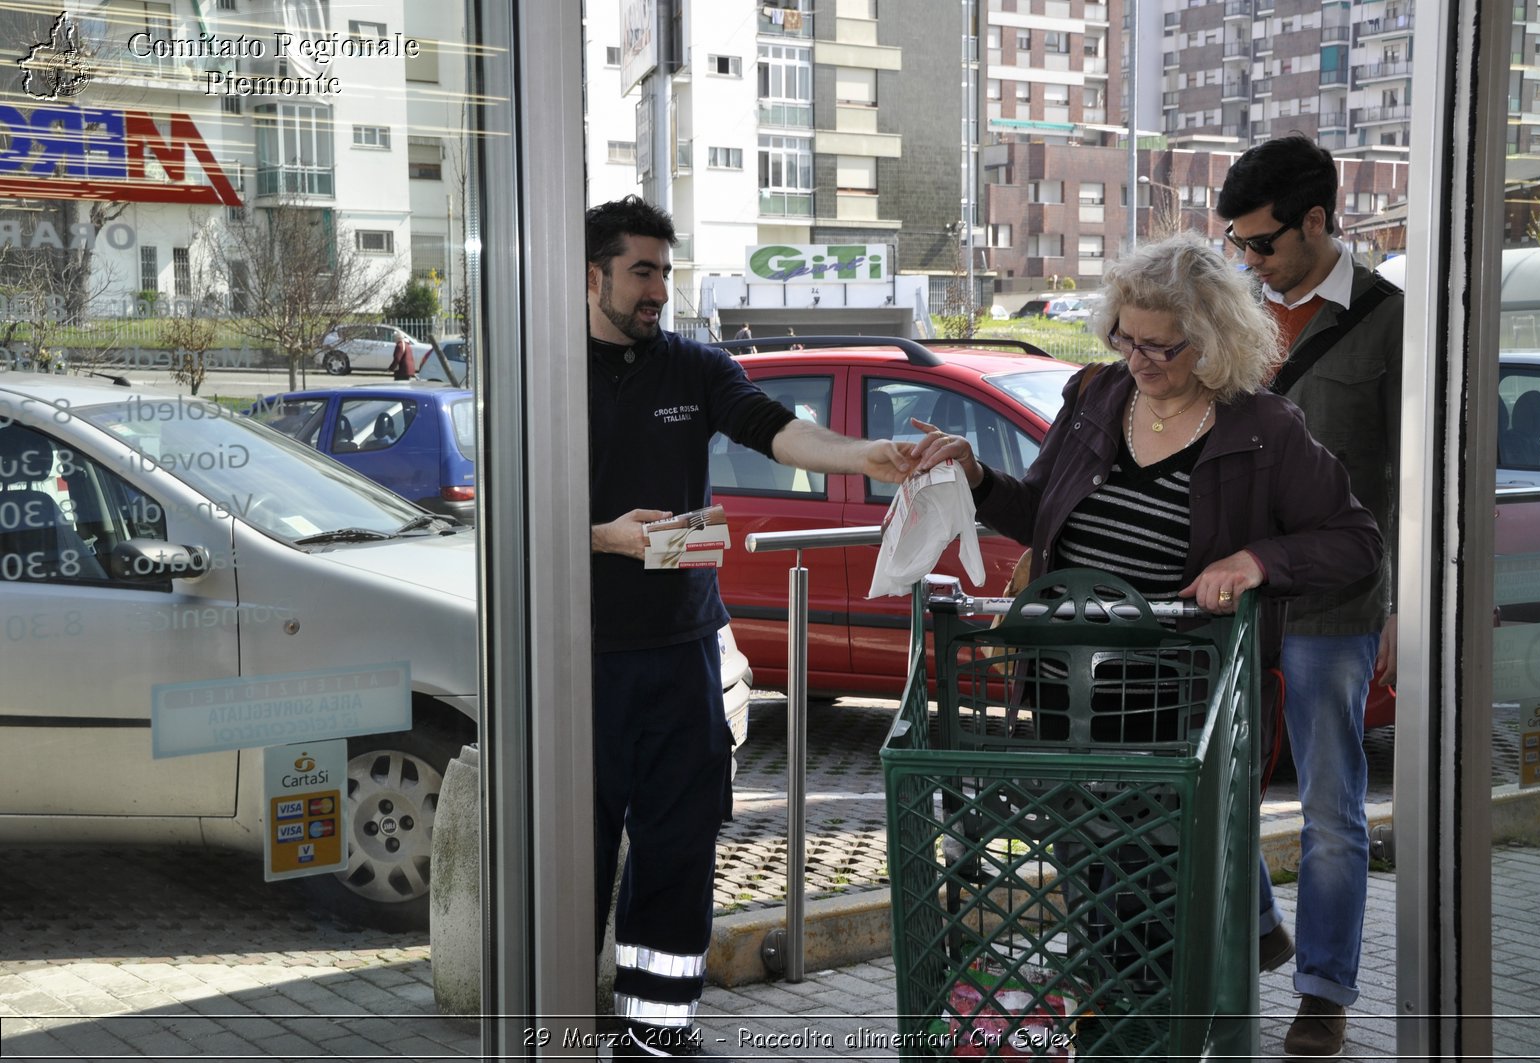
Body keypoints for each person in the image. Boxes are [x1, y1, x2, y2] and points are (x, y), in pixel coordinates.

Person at [911, 231, 1382, 1035]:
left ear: (1213, 341)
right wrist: (980, 478)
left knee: (1163, 886)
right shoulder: (1095, 397)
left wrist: (1258, 559)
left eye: (1161, 346)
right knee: (1091, 876)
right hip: (1070, 701)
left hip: (1180, 712)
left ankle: (1167, 1025)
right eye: (1126, 337)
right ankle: (1109, 1021)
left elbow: (1355, 544)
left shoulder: (1263, 428)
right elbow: (1038, 511)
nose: (1139, 359)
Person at [585, 195, 914, 1059]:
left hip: (683, 651)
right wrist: (601, 537)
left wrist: (862, 456)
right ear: (595, 275)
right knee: (572, 850)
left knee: (680, 847)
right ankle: (552, 1020)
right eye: (641, 271)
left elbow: (776, 430)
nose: (658, 288)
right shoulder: (541, 374)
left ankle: (657, 1035)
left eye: (665, 270)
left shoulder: (693, 369)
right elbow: (505, 511)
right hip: (574, 658)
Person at [1216, 134, 1403, 1057]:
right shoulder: (1231, 317)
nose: (1248, 261)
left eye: (1262, 243)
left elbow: (1416, 477)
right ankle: (1257, 930)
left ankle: (1324, 991)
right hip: (1240, 607)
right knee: (1218, 788)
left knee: (1333, 807)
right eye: (1237, 246)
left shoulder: (1390, 320)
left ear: (1318, 222)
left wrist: (1404, 608)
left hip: (1340, 605)